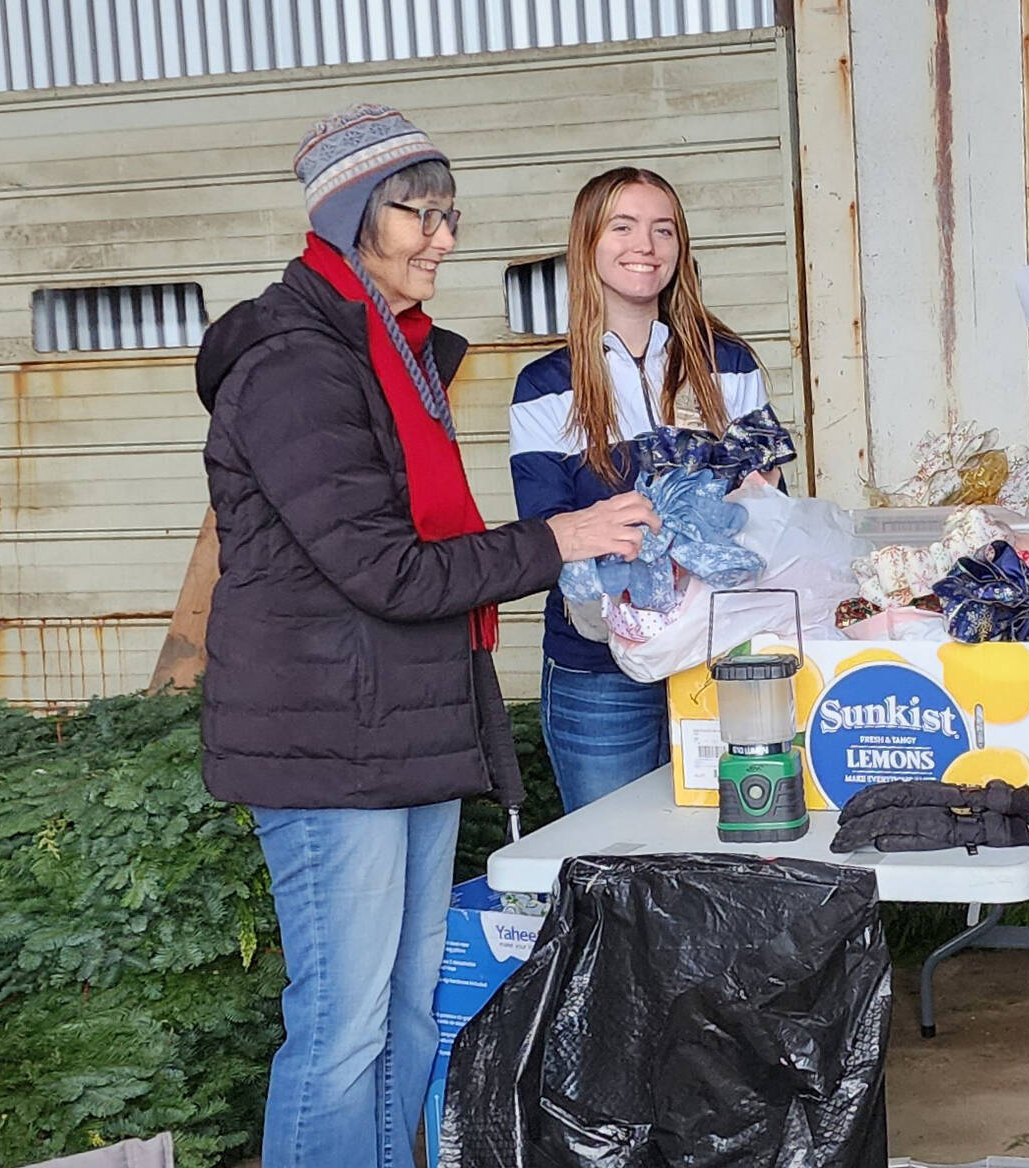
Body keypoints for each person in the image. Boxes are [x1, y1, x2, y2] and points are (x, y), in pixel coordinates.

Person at [195, 104, 656, 1168]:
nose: (444, 237)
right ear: (353, 213)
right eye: (422, 213)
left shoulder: (393, 354)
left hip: (406, 718)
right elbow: (382, 567)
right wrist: (558, 535)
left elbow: (419, 555)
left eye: (452, 214)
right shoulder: (295, 364)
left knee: (404, 1019)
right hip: (327, 738)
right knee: (344, 1028)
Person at [510, 166, 783, 812]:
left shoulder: (728, 365)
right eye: (624, 227)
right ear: (587, 245)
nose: (647, 245)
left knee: (732, 852)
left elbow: (768, 502)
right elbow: (551, 531)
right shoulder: (543, 388)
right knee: (616, 865)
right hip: (598, 672)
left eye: (664, 230)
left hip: (721, 658)